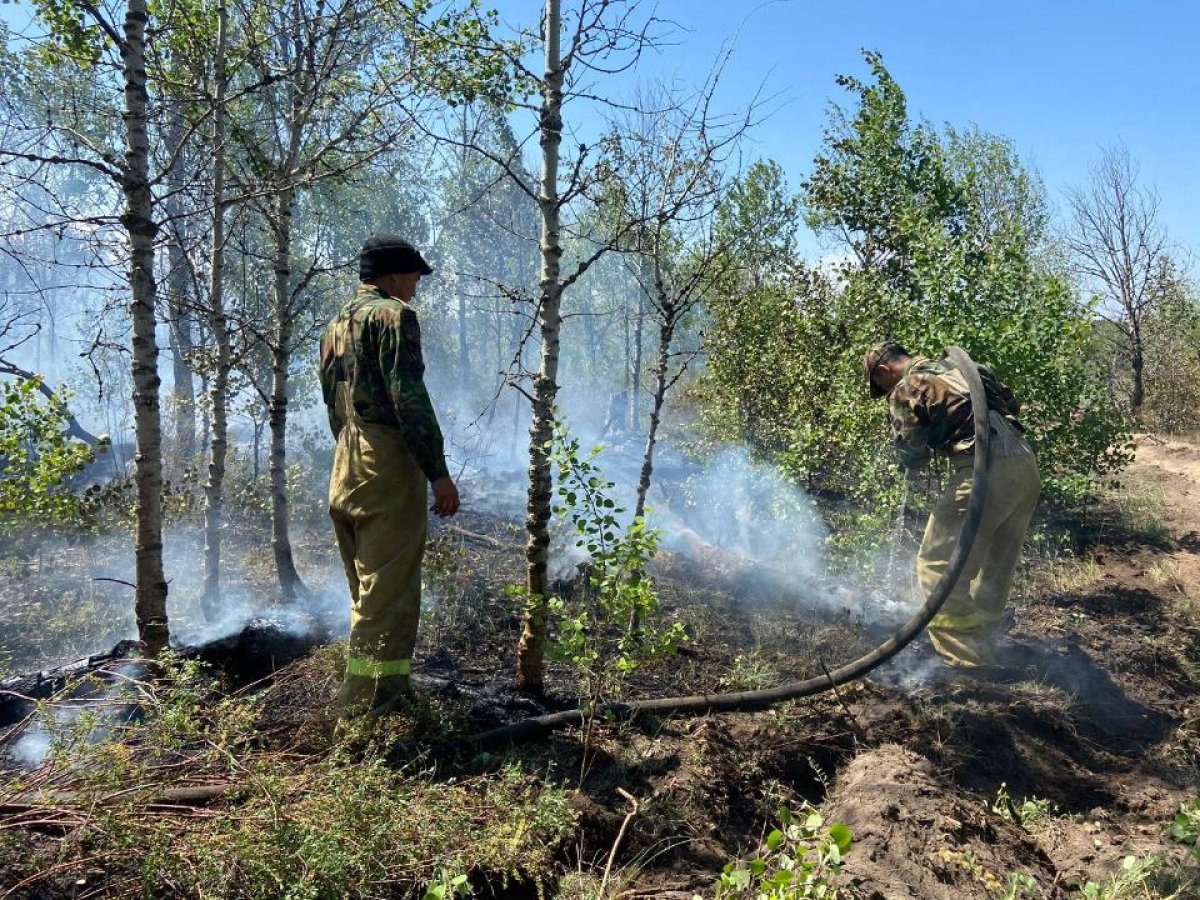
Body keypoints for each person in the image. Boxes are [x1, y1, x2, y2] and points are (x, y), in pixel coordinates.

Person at [319, 234, 460, 718]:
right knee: (388, 595)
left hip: (345, 462)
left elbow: (330, 401)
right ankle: (361, 714)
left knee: (366, 592)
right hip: (385, 462)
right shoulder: (393, 316)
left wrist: (351, 446)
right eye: (414, 275)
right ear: (394, 274)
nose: (417, 286)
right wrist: (437, 472)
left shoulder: (336, 324)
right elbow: (409, 398)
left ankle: (390, 693)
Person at [863, 341, 1039, 670]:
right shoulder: (968, 369)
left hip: (985, 471)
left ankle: (967, 663)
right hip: (1025, 466)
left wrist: (906, 445)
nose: (885, 392)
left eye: (880, 385)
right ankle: (984, 641)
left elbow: (911, 454)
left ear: (885, 371)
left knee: (937, 567)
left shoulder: (907, 387)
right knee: (993, 567)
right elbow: (1010, 403)